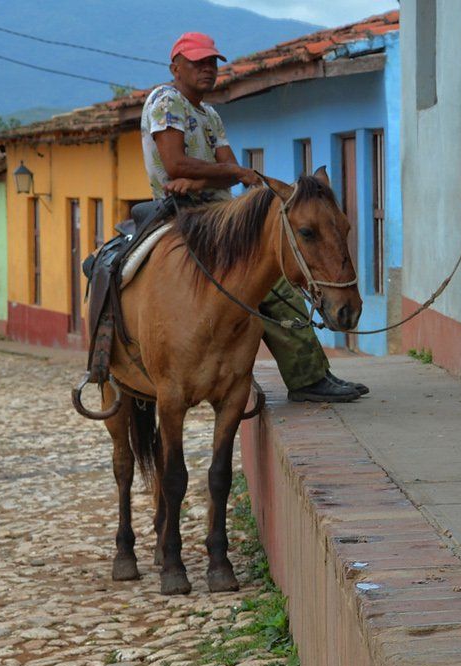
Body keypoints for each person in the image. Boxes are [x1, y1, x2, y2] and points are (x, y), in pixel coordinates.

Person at [141, 31, 368, 404]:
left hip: (219, 211)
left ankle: (310, 373)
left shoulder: (209, 115)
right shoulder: (166, 101)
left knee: (275, 276)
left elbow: (230, 168)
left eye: (212, 62)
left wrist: (201, 176)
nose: (208, 69)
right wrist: (219, 173)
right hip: (184, 213)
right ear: (175, 67)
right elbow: (175, 163)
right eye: (198, 62)